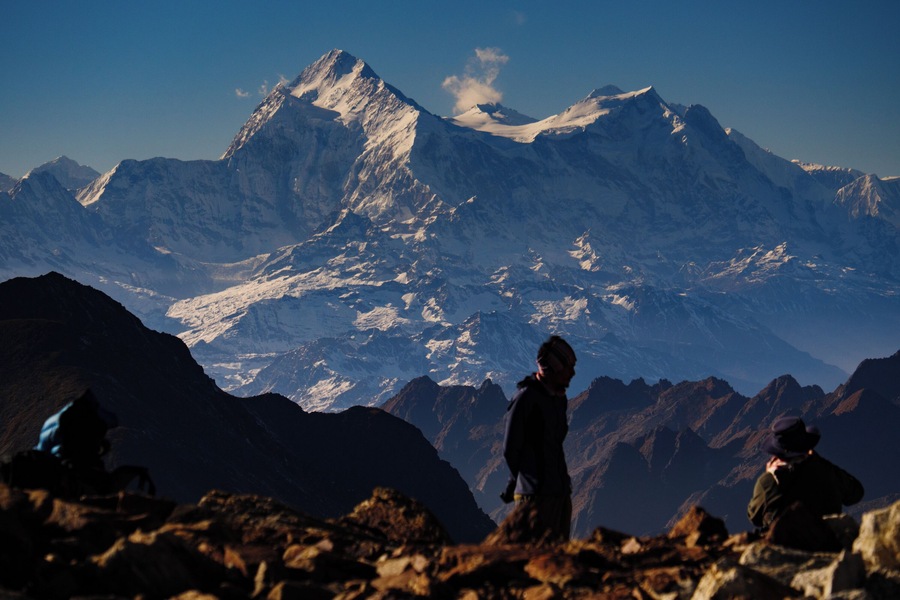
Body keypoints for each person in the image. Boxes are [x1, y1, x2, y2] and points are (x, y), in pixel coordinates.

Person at [502, 335, 577, 542]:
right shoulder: (526, 398)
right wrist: (528, 478)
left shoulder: (558, 400)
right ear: (553, 369)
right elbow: (511, 449)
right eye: (567, 367)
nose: (572, 373)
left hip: (559, 493)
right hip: (534, 496)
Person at [747, 416, 864, 529]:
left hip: (787, 546)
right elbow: (855, 494)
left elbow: (754, 517)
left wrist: (770, 477)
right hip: (829, 543)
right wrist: (817, 460)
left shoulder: (768, 481)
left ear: (778, 454)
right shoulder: (826, 470)